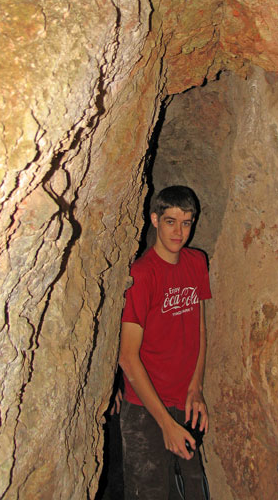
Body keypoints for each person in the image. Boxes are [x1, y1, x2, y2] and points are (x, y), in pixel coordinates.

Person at [118, 186, 211, 499]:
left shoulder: (196, 262)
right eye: (171, 221)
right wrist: (165, 425)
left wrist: (195, 387)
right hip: (145, 407)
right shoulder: (142, 275)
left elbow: (198, 327)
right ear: (155, 219)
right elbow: (128, 358)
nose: (179, 231)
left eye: (186, 222)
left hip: (184, 402)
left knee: (194, 492)